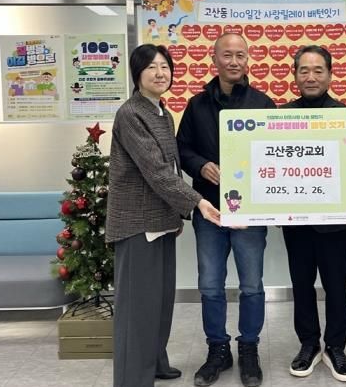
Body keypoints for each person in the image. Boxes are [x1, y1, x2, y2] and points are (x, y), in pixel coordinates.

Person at [106, 44, 221, 387]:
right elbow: (156, 171)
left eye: (165, 67)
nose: (160, 73)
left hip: (161, 222)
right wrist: (198, 202)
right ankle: (132, 378)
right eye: (152, 67)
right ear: (137, 74)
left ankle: (155, 362)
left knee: (159, 302)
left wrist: (174, 213)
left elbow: (170, 168)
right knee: (137, 307)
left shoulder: (162, 113)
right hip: (137, 224)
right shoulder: (131, 114)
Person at [177, 33, 276, 387]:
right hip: (209, 210)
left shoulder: (263, 104)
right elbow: (181, 149)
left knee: (251, 284)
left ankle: (249, 347)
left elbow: (276, 153)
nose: (234, 61)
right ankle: (217, 349)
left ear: (248, 59)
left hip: (250, 211)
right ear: (214, 59)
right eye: (227, 55)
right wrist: (200, 165)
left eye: (240, 55)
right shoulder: (197, 105)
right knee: (209, 285)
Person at [280, 45, 346, 382]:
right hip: (296, 221)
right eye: (304, 70)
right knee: (301, 286)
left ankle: (336, 347)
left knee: (336, 287)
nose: (311, 77)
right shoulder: (281, 117)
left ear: (330, 74)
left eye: (318, 70)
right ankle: (308, 344)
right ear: (295, 75)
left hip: (335, 223)